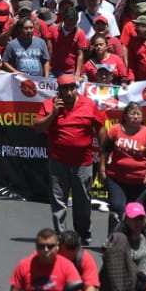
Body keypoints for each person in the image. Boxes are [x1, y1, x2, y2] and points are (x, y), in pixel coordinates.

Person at [34, 75, 106, 246]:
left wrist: (104, 155)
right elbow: (38, 128)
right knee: (58, 199)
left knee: (82, 201)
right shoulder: (49, 105)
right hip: (58, 161)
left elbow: (101, 128)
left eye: (71, 88)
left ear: (76, 88)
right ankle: (61, 235)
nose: (68, 92)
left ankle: (83, 232)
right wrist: (53, 114)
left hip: (83, 161)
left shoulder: (89, 104)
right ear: (58, 91)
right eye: (64, 89)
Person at [99, 101, 146, 235]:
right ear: (125, 116)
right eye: (132, 114)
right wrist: (102, 169)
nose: (136, 117)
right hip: (116, 179)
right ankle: (113, 239)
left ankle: (135, 240)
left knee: (136, 212)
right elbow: (105, 150)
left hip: (139, 181)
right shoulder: (115, 130)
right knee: (117, 207)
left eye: (138, 114)